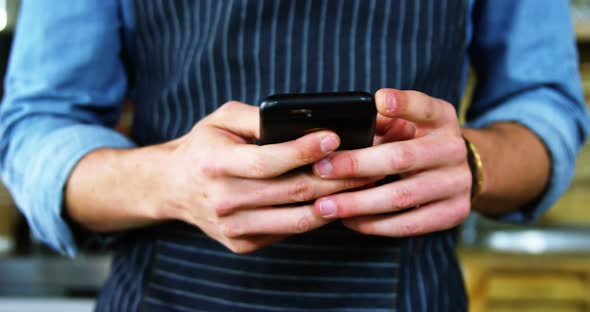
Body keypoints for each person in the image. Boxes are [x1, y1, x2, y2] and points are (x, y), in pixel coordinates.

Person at [0, 0, 588, 311]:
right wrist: (169, 181)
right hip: (172, 296)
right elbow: (36, 128)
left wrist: (473, 161)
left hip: (408, 297)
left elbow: (544, 105)